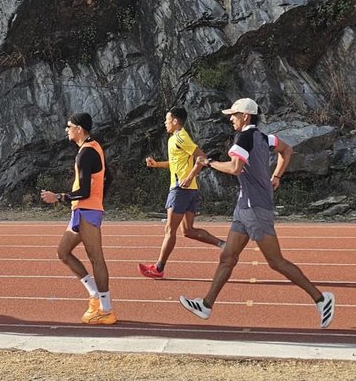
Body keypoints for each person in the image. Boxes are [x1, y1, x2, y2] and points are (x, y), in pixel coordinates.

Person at [177, 98, 335, 328]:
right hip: (244, 207)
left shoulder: (244, 137)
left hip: (256, 208)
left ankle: (321, 299)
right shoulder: (264, 137)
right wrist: (277, 176)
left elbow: (234, 168)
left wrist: (208, 162)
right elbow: (287, 150)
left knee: (276, 262)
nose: (230, 118)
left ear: (246, 116)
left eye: (234, 114)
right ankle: (206, 305)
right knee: (227, 257)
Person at [41, 112, 117, 325]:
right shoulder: (93, 148)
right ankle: (94, 294)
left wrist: (58, 197)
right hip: (82, 210)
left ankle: (107, 309)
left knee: (96, 259)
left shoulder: (85, 154)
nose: (67, 129)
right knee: (63, 252)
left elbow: (83, 191)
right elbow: (108, 177)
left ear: (79, 129)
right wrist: (98, 199)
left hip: (87, 211)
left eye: (69, 126)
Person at [139, 107, 224, 279]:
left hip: (181, 189)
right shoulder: (174, 139)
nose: (165, 123)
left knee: (170, 230)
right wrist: (157, 164)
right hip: (190, 189)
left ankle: (158, 268)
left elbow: (202, 157)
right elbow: (175, 163)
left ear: (175, 121)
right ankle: (224, 244)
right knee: (188, 231)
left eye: (167, 119)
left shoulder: (180, 137)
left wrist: (190, 175)